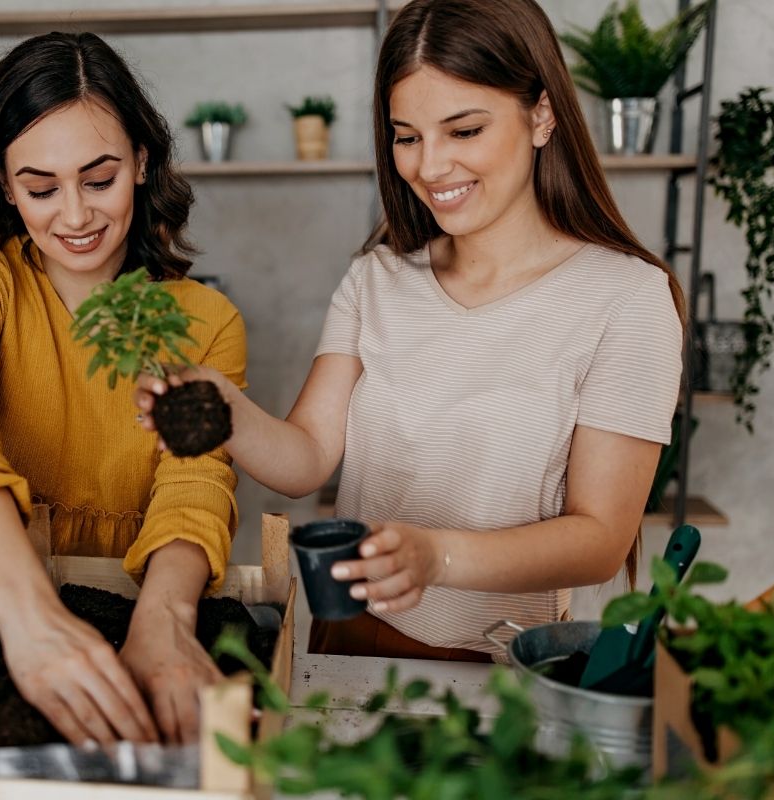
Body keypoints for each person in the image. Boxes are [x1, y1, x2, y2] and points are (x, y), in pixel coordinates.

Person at [138, 0, 683, 661]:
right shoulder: (377, 280)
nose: (430, 166)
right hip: (346, 639)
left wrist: (438, 555)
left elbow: (600, 539)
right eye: (407, 136)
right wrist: (224, 408)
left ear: (541, 114)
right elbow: (307, 455)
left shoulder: (626, 298)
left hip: (500, 662)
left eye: (464, 130)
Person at [0, 31, 247, 744]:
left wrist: (164, 623)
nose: (77, 215)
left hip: (139, 593)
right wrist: (32, 621)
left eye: (99, 178)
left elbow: (196, 487)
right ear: (3, 183)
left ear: (142, 161)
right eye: (40, 187)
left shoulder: (207, 322)